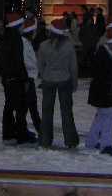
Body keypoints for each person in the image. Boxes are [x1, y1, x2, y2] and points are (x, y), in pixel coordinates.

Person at [37, 18, 79, 149]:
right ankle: (70, 140)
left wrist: (44, 75)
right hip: (64, 80)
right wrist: (74, 81)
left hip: (48, 80)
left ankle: (45, 140)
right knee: (66, 112)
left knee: (46, 111)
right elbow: (73, 67)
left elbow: (40, 65)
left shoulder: (43, 46)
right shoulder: (69, 46)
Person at [86, 24, 112, 156]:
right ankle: (106, 145)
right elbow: (102, 75)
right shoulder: (105, 54)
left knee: (101, 116)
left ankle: (91, 142)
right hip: (103, 92)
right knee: (110, 116)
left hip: (101, 92)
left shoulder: (106, 52)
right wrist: (111, 86)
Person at [0, 12, 34, 145]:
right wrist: (24, 78)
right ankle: (21, 134)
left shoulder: (5, 37)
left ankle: (8, 134)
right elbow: (19, 61)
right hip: (16, 78)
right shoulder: (16, 38)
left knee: (9, 106)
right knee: (21, 107)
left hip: (7, 77)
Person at [20, 16, 41, 139]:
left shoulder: (27, 42)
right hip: (27, 79)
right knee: (30, 107)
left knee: (28, 107)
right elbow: (25, 62)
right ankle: (40, 130)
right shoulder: (23, 43)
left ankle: (23, 130)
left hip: (29, 78)